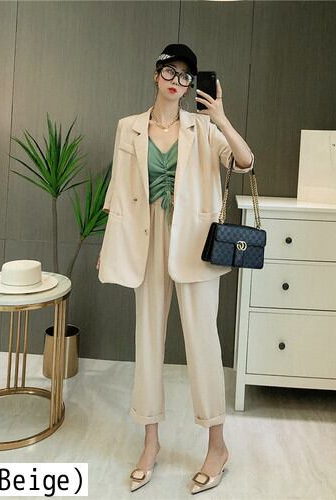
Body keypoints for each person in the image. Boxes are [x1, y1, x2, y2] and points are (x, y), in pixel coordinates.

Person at [96, 44, 255, 494]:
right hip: (144, 241)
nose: (177, 81)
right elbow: (117, 191)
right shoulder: (128, 127)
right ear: (156, 74)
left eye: (185, 76)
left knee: (203, 343)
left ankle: (217, 446)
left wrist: (220, 117)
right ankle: (150, 443)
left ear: (191, 86)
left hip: (194, 244)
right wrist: (110, 246)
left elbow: (245, 162)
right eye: (170, 71)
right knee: (148, 340)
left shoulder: (202, 128)